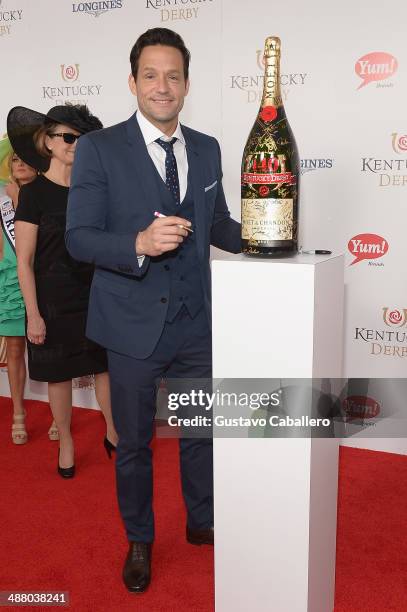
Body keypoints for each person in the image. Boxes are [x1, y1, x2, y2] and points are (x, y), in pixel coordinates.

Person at [66, 28, 241, 593]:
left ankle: (201, 519)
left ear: (187, 83)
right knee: (135, 442)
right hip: (132, 323)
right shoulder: (98, 148)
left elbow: (216, 225)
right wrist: (137, 244)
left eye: (173, 75)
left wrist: (272, 234)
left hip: (197, 321)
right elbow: (79, 239)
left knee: (200, 431)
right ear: (133, 81)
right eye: (150, 75)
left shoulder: (210, 147)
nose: (162, 86)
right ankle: (139, 537)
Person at [7, 104, 118, 477]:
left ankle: (113, 430)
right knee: (59, 374)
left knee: (104, 367)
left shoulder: (95, 190)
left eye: (81, 138)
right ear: (47, 142)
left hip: (96, 294)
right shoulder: (34, 194)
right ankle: (67, 442)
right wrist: (33, 314)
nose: (76, 144)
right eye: (68, 137)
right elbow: (24, 261)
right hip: (53, 302)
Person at [0, 144, 36, 444]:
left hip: (41, 281)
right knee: (14, 349)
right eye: (14, 158)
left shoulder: (48, 192)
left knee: (49, 350)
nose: (20, 162)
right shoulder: (0, 195)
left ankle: (56, 414)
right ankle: (18, 414)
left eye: (25, 158)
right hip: (10, 283)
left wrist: (19, 199)